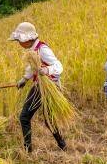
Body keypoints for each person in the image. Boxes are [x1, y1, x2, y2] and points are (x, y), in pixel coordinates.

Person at [8, 21, 67, 153]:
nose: (18, 43)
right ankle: (62, 144)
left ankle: (28, 150)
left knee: (24, 117)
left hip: (46, 87)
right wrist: (24, 79)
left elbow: (58, 66)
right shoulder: (33, 50)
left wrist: (46, 71)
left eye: (19, 40)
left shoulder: (43, 49)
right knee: (48, 119)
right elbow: (32, 67)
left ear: (27, 38)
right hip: (41, 86)